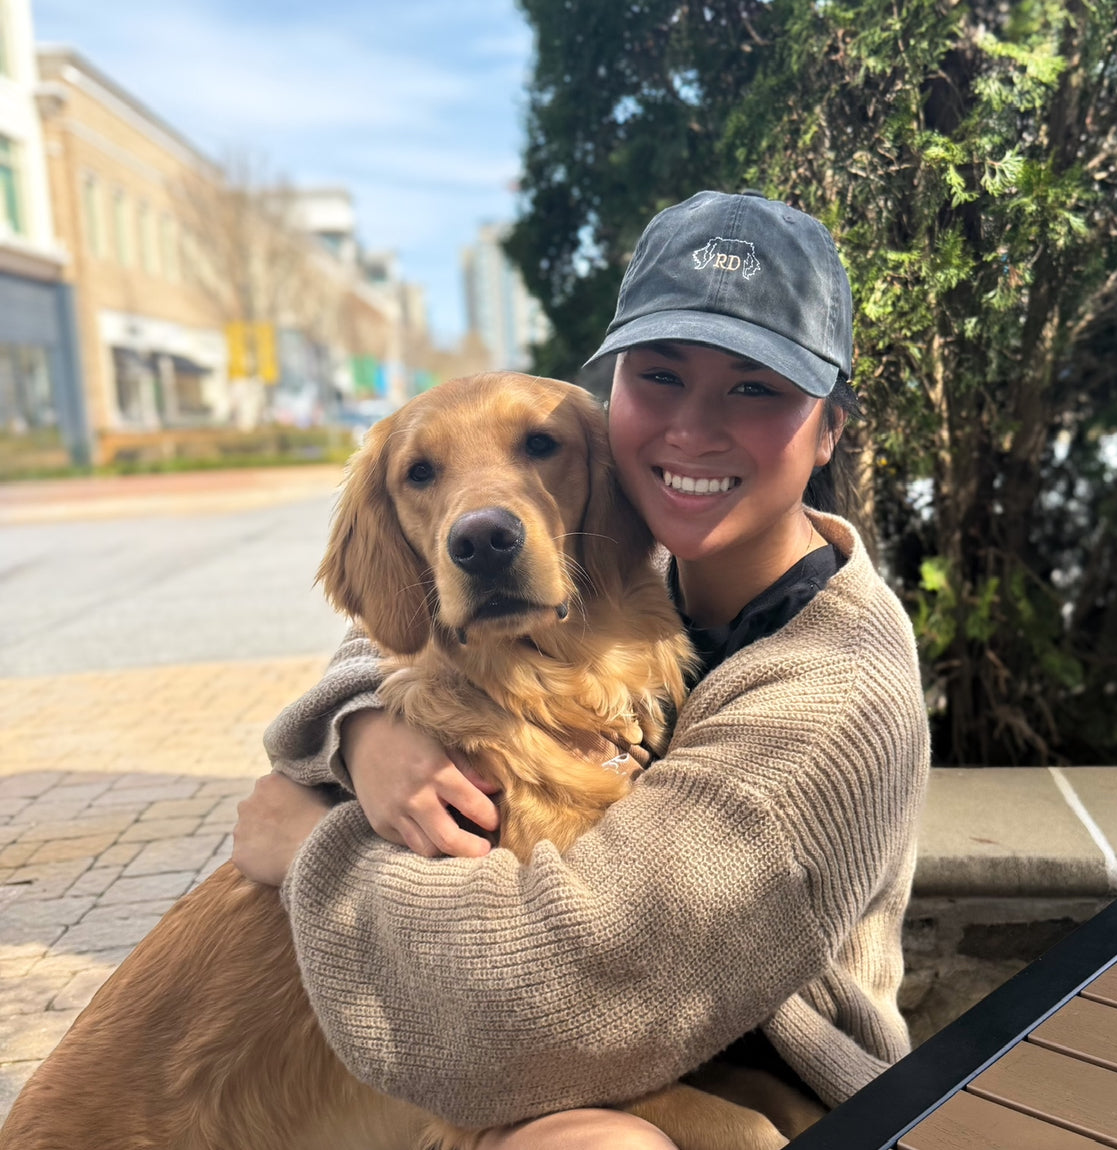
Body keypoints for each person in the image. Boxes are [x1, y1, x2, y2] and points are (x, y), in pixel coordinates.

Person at [232, 189, 930, 1149]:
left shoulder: (838, 692)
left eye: (754, 386)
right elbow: (398, 626)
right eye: (660, 377)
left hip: (750, 1060)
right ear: (617, 413)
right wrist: (362, 729)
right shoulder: (635, 567)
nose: (692, 429)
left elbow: (548, 1011)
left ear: (830, 430)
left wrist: (310, 843)